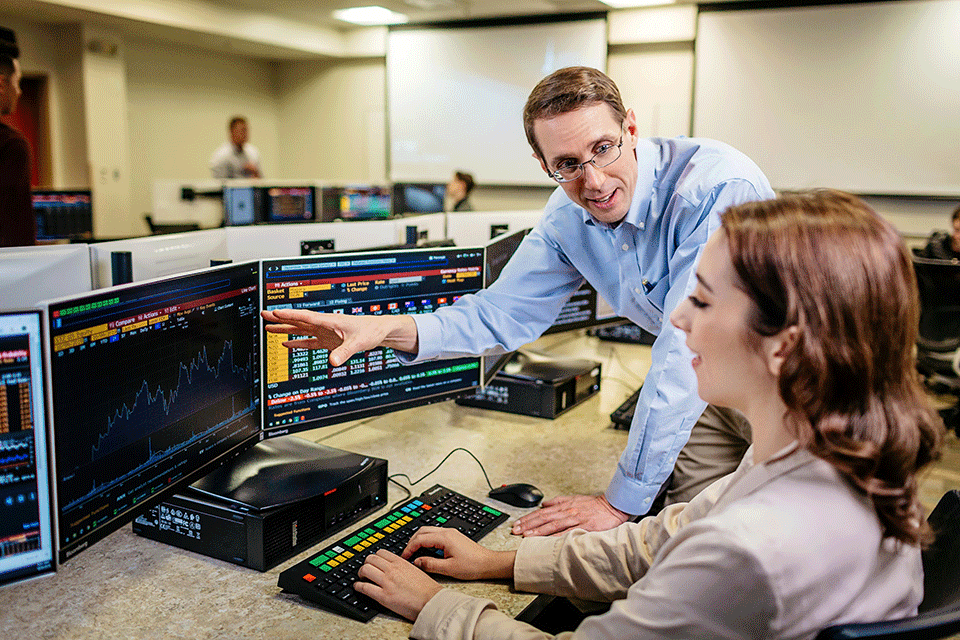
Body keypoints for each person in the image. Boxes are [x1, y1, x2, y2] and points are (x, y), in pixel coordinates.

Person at [351, 190, 944, 639]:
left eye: (703, 298)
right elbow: (664, 540)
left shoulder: (751, 548)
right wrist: (499, 561)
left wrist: (433, 607)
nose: (677, 317)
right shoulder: (828, 456)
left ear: (782, 344)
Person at [262, 66, 774, 535]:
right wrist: (389, 330)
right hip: (707, 390)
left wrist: (621, 502)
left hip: (784, 385)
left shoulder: (714, 187)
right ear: (541, 162)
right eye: (567, 164)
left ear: (632, 128)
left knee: (782, 540)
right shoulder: (565, 218)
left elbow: (684, 347)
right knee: (690, 543)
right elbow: (501, 313)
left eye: (604, 148)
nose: (592, 182)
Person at [0, 26, 34, 248]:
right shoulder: (10, 145)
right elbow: (16, 235)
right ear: (2, 84)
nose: (19, 91)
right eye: (17, 82)